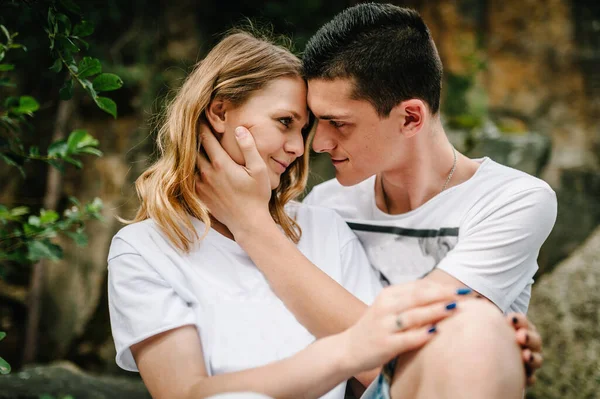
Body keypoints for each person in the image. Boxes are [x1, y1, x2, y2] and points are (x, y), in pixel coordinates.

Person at [194, 4, 556, 399]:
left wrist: (251, 223)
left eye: (340, 124)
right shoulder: (327, 205)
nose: (319, 143)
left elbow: (419, 342)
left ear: (410, 118)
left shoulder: (512, 200)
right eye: (318, 122)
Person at [107, 30, 475, 399]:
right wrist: (343, 353)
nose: (299, 147)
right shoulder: (144, 249)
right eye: (284, 122)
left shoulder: (323, 227)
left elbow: (389, 371)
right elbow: (184, 394)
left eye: (303, 129)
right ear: (219, 111)